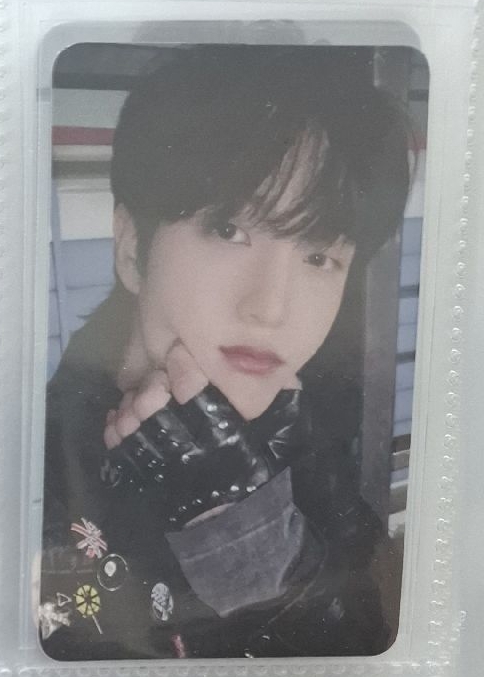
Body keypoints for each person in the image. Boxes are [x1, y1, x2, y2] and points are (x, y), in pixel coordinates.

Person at [40, 45, 410, 660]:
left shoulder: (296, 418)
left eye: (319, 256)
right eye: (228, 229)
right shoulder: (32, 470)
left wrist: (252, 538)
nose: (272, 308)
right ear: (132, 248)